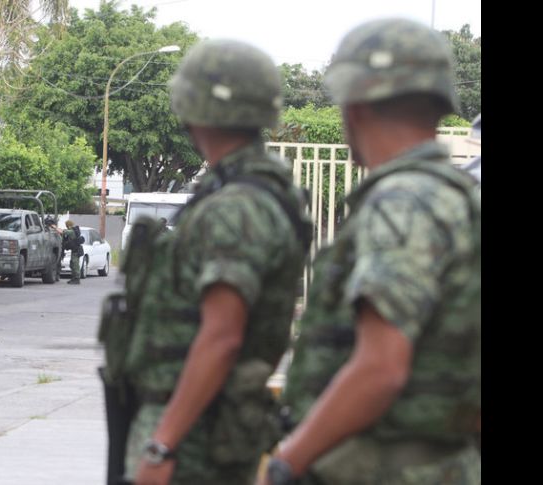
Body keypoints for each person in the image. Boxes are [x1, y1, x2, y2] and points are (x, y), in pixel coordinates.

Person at [262, 18, 481, 485]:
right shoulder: (462, 201)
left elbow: (381, 367)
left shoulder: (402, 203)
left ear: (355, 106)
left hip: (383, 468)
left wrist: (287, 461)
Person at [99, 39, 312, 485]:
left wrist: (163, 445)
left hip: (193, 438)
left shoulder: (235, 206)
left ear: (193, 107)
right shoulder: (251, 191)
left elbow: (222, 335)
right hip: (203, 423)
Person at [55, 220, 83, 285]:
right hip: (75, 250)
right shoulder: (73, 230)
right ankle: (74, 278)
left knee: (75, 264)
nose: (66, 227)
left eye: (67, 225)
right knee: (72, 264)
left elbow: (62, 231)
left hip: (76, 250)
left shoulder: (72, 231)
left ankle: (76, 279)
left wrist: (54, 227)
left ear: (69, 225)